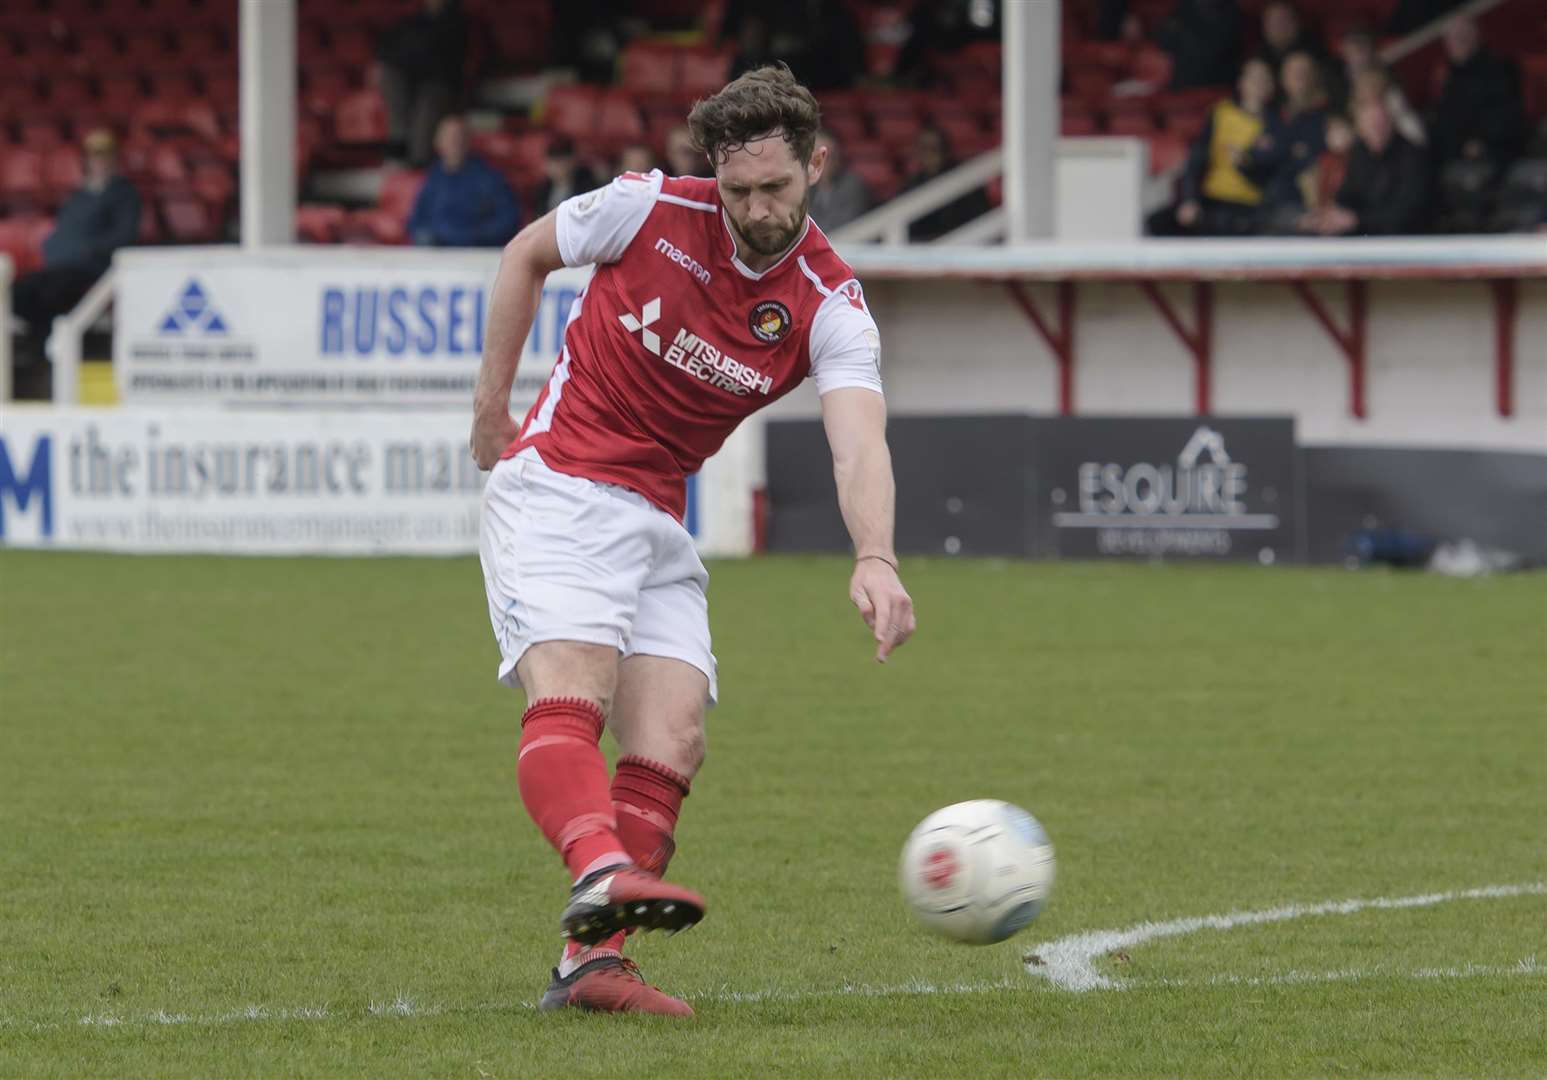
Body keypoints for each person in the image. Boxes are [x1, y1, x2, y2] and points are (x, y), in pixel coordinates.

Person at [468, 64, 914, 1017]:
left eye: (777, 188)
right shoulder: (643, 208)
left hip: (658, 516)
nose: (754, 207)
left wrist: (873, 553)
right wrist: (489, 409)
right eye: (738, 188)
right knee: (574, 690)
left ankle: (591, 966)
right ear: (714, 171)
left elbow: (858, 439)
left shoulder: (830, 301)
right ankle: (598, 871)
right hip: (560, 484)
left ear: (817, 167)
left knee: (671, 741)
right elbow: (522, 257)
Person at [10, 129, 140, 368]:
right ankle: (41, 347)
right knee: (18, 292)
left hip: (94, 270)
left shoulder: (125, 194)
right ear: (87, 160)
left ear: (114, 159)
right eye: (94, 156)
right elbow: (60, 234)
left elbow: (124, 237)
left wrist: (86, 251)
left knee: (53, 292)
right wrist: (57, 251)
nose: (99, 162)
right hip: (61, 267)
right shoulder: (76, 197)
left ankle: (45, 352)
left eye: (104, 156)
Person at [1149, 58, 1277, 236]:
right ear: (1241, 82)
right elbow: (1196, 159)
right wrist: (1189, 199)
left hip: (1249, 205)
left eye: (1264, 79)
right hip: (1212, 198)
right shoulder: (1221, 112)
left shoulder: (1277, 123)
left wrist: (1246, 163)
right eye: (1253, 78)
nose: (1258, 84)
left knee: (1225, 223)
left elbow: (1274, 173)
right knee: (1157, 222)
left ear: (1272, 86)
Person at [1301, 97, 1429, 235]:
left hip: (1406, 240)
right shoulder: (1359, 153)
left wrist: (1357, 220)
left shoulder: (1412, 157)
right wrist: (1327, 216)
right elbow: (1347, 194)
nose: (1377, 128)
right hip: (1366, 235)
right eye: (1371, 123)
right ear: (1360, 128)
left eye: (1381, 122)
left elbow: (1405, 213)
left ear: (1391, 123)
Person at [1238, 50, 1330, 232]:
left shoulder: (1327, 116)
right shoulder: (1274, 116)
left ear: (1314, 77)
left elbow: (1312, 160)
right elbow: (1259, 162)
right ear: (1283, 78)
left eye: (1304, 72)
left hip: (1310, 206)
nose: (1299, 77)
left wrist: (1277, 151)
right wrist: (1245, 163)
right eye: (1293, 72)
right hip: (1273, 204)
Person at [376, 0, 468, 167]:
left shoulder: (456, 22)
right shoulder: (415, 20)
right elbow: (389, 46)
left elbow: (439, 60)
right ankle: (398, 143)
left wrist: (413, 60)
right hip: (414, 81)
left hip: (441, 85)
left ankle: (417, 166)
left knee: (426, 109)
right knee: (389, 74)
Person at [406, 115, 522, 247]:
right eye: (449, 137)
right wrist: (427, 236)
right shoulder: (432, 178)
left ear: (468, 141)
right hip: (437, 254)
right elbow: (416, 221)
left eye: (459, 136)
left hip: (475, 253)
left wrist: (476, 237)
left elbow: (508, 219)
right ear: (438, 142)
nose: (455, 141)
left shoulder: (488, 177)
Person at [1428, 15, 1525, 169]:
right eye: (1452, 39)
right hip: (1456, 151)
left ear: (1475, 36)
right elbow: (1445, 119)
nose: (1457, 43)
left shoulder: (1499, 69)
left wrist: (1478, 141)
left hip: (1492, 150)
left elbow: (1505, 116)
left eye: (1462, 36)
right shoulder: (1450, 77)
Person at [901, 126, 991, 241]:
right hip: (922, 248)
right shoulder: (912, 185)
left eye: (935, 147)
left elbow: (979, 218)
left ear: (945, 150)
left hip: (960, 245)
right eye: (924, 148)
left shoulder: (966, 181)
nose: (929, 153)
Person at [1155, 0, 1244, 90]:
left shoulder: (1230, 9)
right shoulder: (1184, 6)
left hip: (1218, 80)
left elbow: (1221, 49)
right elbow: (1163, 43)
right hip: (1184, 81)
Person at [807, 129, 872, 231]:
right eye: (815, 159)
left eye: (827, 158)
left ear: (837, 158)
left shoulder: (852, 186)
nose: (820, 164)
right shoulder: (809, 185)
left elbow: (845, 226)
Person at [531, 137, 600, 216]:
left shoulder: (586, 187)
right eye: (553, 162)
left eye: (561, 161)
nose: (557, 167)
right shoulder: (542, 191)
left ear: (571, 161)